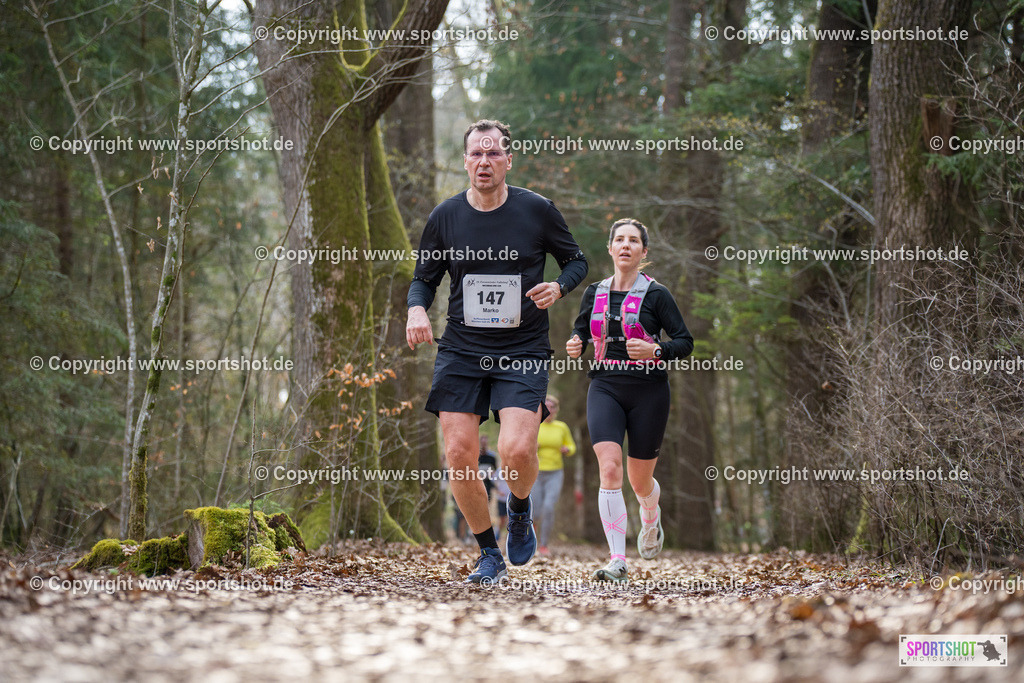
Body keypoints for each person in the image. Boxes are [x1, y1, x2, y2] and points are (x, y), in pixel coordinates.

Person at [407, 119, 588, 585]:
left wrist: (559, 287)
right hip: (462, 348)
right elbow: (424, 279)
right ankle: (489, 553)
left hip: (522, 346)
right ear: (465, 161)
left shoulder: (537, 210)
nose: (484, 162)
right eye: (476, 154)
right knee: (458, 453)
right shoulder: (445, 217)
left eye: (493, 153)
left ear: (509, 159)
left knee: (517, 449)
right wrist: (416, 310)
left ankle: (520, 510)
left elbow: (577, 261)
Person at [566, 218, 693, 582]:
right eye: (619, 239)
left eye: (633, 241)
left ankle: (650, 516)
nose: (625, 245)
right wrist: (576, 344)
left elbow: (684, 342)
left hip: (649, 392)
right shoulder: (594, 292)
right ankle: (617, 560)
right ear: (610, 249)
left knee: (639, 482)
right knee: (609, 469)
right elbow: (580, 332)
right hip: (605, 385)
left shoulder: (657, 294)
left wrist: (656, 350)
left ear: (643, 251)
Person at [533, 395, 576, 555]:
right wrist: (533, 446)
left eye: (552, 407)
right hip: (536, 473)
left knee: (549, 507)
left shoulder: (561, 427)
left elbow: (572, 446)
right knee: (535, 510)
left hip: (555, 473)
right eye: (546, 407)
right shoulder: (535, 425)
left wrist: (567, 449)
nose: (549, 410)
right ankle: (532, 541)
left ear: (556, 410)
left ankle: (544, 545)